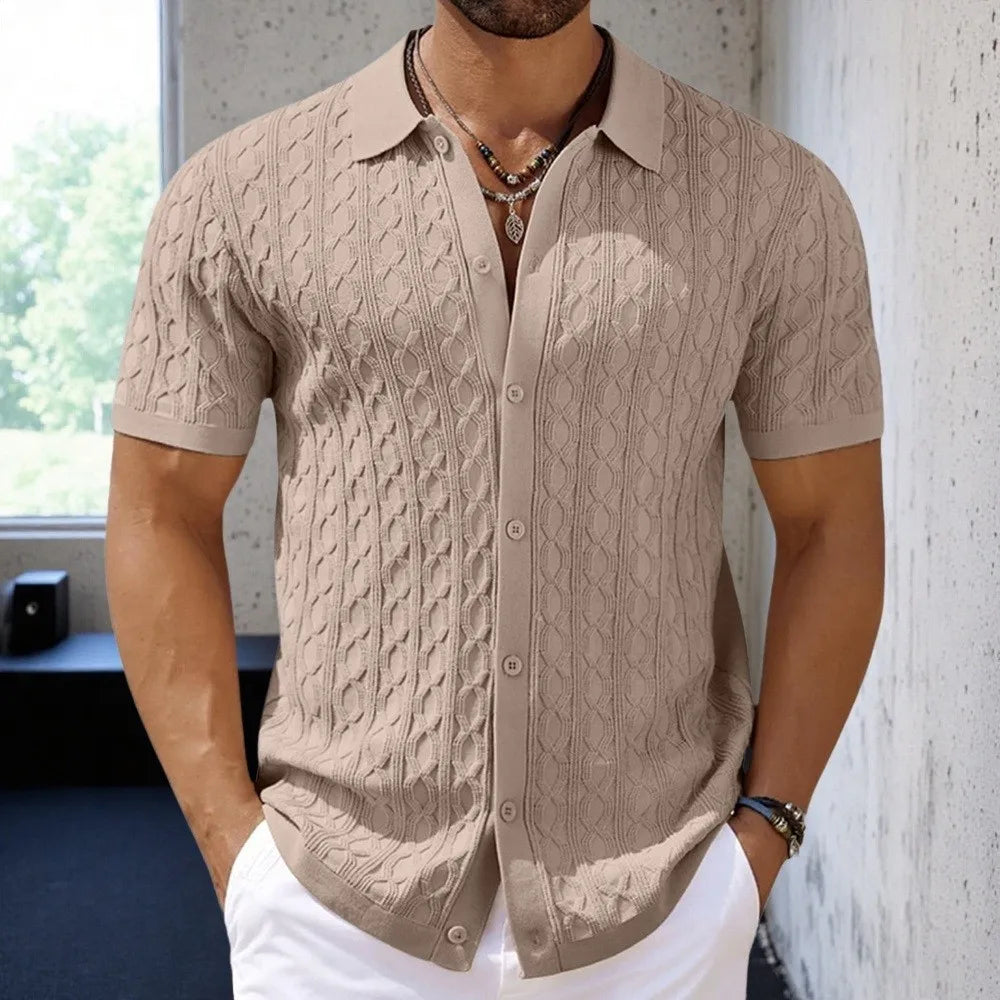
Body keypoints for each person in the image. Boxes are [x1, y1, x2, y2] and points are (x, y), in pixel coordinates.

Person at [105, 1, 885, 997]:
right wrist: (234, 849)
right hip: (330, 919)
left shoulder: (775, 198)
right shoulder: (237, 192)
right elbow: (159, 508)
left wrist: (757, 845)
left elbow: (832, 525)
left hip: (658, 916)